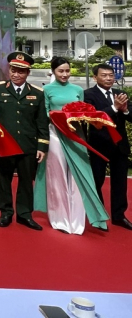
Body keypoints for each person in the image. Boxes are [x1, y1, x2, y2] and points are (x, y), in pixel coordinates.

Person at [0, 52, 48, 230]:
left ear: (28, 73)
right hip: (4, 144)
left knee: (26, 181)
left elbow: (41, 122)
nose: (16, 75)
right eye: (13, 70)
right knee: (4, 180)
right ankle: (6, 212)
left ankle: (24, 214)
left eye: (21, 72)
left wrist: (42, 146)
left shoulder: (37, 93)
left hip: (27, 146)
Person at [37, 57, 108, 234]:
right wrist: (61, 117)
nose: (65, 74)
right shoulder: (46, 89)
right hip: (55, 134)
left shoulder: (77, 90)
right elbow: (44, 113)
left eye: (67, 71)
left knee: (78, 177)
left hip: (76, 135)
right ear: (53, 71)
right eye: (61, 71)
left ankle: (77, 221)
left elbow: (83, 111)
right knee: (58, 175)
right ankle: (59, 218)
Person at [84, 63, 132, 230]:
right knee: (97, 181)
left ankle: (119, 216)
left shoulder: (121, 94)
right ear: (95, 77)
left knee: (120, 183)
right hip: (99, 145)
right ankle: (98, 215)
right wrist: (114, 107)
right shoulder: (88, 95)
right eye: (104, 75)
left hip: (119, 146)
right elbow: (94, 116)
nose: (109, 78)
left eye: (111, 75)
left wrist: (125, 110)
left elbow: (130, 116)